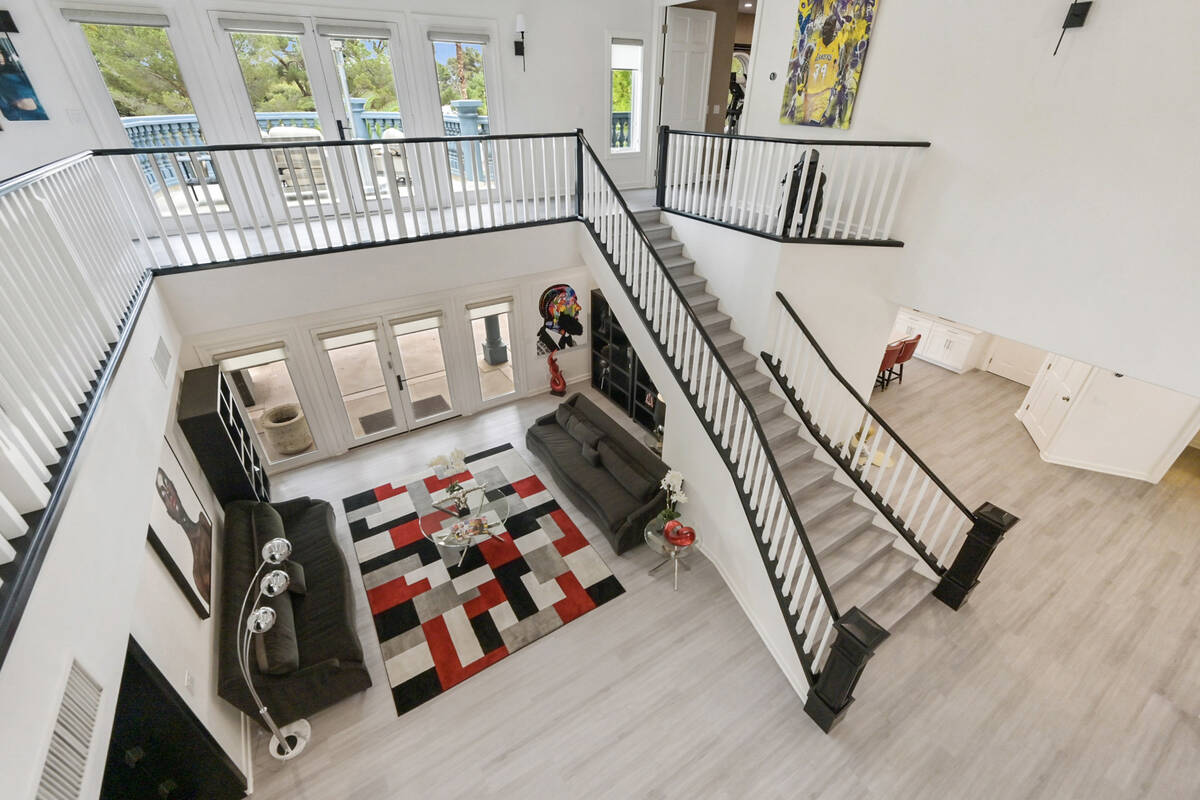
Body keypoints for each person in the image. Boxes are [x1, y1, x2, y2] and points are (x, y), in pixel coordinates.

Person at [156, 468, 213, 605]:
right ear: (169, 513)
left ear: (175, 490)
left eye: (167, 484)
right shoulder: (196, 573)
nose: (168, 493)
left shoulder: (205, 521)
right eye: (163, 494)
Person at [0, 38, 47, 121]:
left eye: (0, 52)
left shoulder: (19, 72)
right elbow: (5, 109)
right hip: (22, 117)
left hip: (39, 112)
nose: (0, 57)